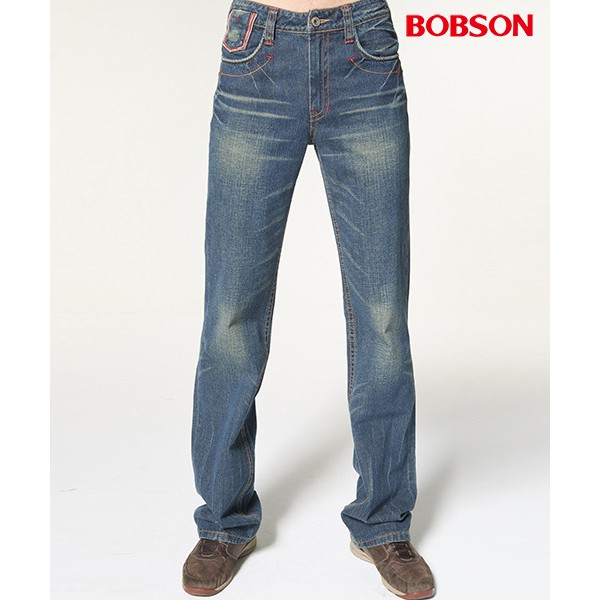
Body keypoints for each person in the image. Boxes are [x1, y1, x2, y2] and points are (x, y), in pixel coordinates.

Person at [182, 0, 435, 597]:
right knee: (231, 310)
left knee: (381, 314)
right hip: (258, 56)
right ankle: (223, 521)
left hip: (363, 52)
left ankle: (383, 523)